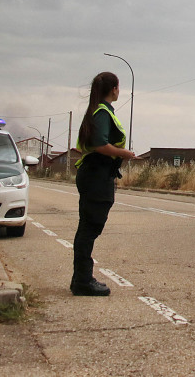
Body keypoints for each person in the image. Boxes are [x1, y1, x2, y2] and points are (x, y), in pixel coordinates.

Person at [71, 71, 136, 296]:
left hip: (96, 173)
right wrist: (124, 153)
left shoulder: (98, 110)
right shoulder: (101, 112)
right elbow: (100, 145)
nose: (120, 90)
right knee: (89, 228)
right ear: (114, 89)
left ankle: (80, 278)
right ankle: (82, 280)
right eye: (119, 87)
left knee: (88, 228)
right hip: (97, 174)